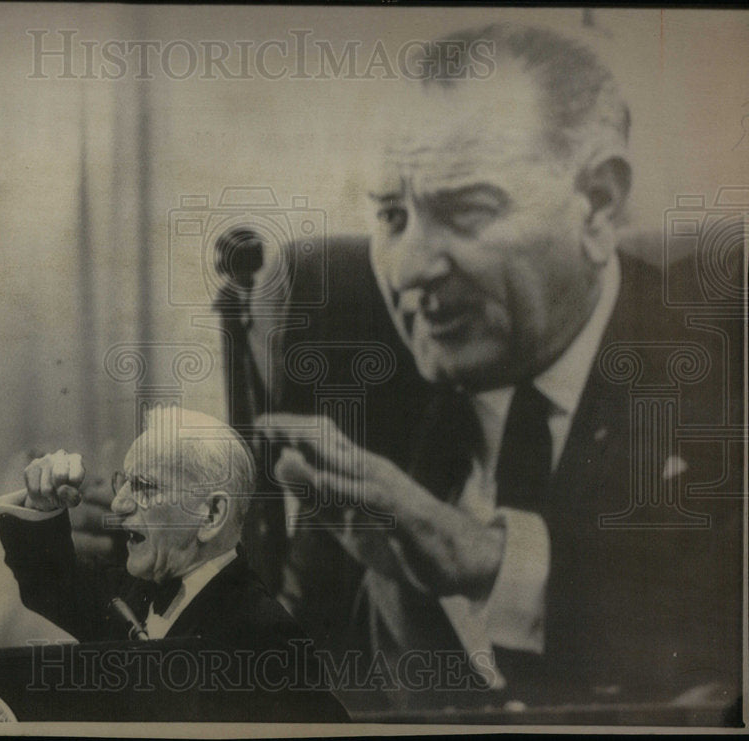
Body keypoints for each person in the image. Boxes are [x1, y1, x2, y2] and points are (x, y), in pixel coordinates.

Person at [257, 23, 743, 712]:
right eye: (392, 216)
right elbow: (299, 667)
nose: (410, 268)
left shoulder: (724, 365)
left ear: (598, 203)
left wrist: (485, 560)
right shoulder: (367, 375)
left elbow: (718, 627)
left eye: (465, 210)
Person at [0, 405, 348, 721]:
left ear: (211, 515)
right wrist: (41, 505)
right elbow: (50, 581)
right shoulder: (128, 593)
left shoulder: (266, 637)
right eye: (124, 482)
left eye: (144, 486)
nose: (118, 505)